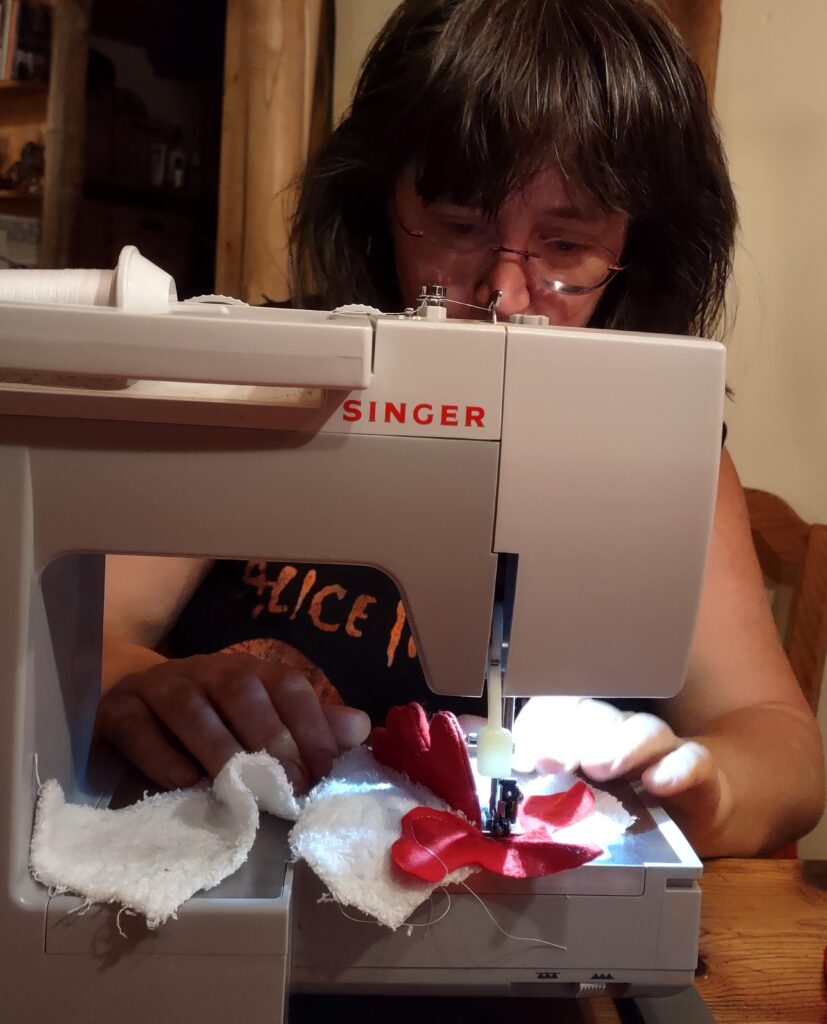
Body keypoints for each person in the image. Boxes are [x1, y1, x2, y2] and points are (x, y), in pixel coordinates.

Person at [98, 0, 824, 858]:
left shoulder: (664, 450)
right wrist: (144, 687)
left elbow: (777, 740)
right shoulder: (261, 383)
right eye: (459, 226)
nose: (505, 295)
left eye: (565, 246)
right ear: (384, 201)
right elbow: (81, 642)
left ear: (640, 245)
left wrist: (708, 780)